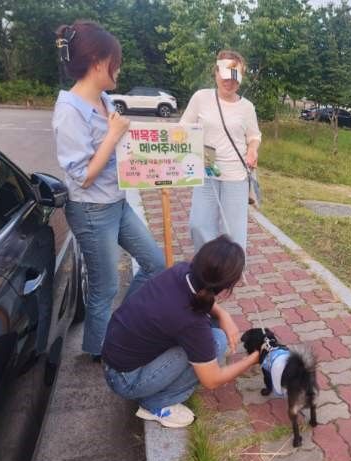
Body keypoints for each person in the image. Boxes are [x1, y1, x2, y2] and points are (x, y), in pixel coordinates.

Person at [52, 21, 165, 360]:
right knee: (105, 287)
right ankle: (100, 350)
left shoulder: (103, 99)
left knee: (155, 264)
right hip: (91, 209)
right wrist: (114, 136)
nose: (119, 67)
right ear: (99, 61)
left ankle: (121, 325)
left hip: (117, 201)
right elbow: (82, 176)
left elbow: (119, 148)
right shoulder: (69, 111)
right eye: (116, 60)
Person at [101, 235, 260, 427]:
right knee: (217, 341)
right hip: (125, 380)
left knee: (213, 330)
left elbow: (202, 301)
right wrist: (253, 359)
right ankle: (156, 403)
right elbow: (212, 380)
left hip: (115, 354)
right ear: (226, 288)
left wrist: (223, 314)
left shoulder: (181, 271)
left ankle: (158, 388)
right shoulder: (192, 322)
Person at [180, 50, 261, 253]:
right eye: (225, 75)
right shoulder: (201, 98)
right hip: (206, 172)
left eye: (234, 78)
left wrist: (252, 150)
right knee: (198, 225)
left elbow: (254, 136)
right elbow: (183, 128)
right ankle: (209, 266)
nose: (229, 82)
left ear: (240, 78)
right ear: (216, 73)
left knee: (233, 231)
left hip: (236, 175)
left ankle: (231, 272)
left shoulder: (247, 107)